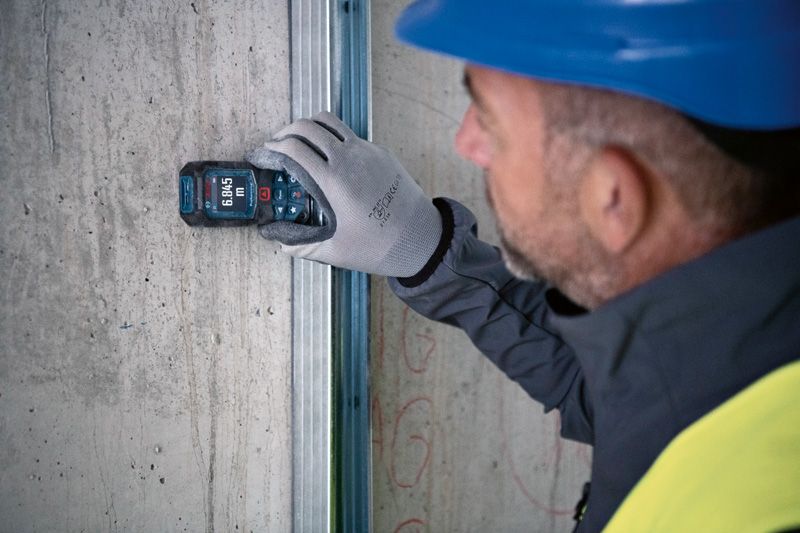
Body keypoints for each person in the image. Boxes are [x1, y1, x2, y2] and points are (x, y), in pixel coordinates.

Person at [247, 0, 800, 530]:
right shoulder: (735, 356)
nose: (467, 142)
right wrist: (427, 250)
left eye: (489, 120)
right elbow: (608, 388)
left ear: (613, 199)